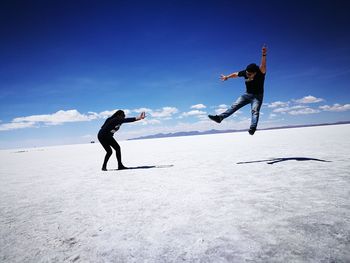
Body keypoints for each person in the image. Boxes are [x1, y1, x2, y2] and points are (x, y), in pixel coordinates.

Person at [208, 45, 267, 135]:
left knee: (255, 111)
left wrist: (263, 54)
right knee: (234, 106)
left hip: (257, 96)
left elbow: (263, 65)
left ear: (255, 73)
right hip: (247, 94)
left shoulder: (260, 73)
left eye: (250, 74)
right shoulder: (245, 73)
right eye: (247, 73)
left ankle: (252, 128)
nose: (247, 75)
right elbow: (236, 74)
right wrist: (227, 77)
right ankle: (219, 118)